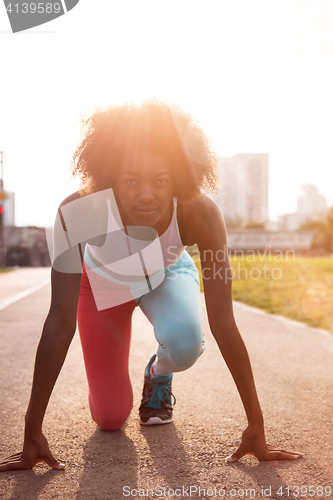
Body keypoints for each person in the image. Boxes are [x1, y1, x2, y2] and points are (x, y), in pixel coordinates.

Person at [0, 101, 302, 472]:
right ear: (109, 176)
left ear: (179, 177)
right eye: (130, 181)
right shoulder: (78, 211)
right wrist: (32, 428)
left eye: (161, 181)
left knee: (186, 341)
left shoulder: (199, 212)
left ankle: (158, 374)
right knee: (110, 417)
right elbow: (60, 321)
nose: (147, 194)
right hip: (99, 291)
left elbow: (223, 321)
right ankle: (118, 396)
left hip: (166, 276)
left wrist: (256, 424)